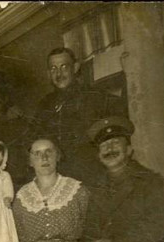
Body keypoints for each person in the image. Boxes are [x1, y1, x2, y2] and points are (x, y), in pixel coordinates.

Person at [32, 48, 127, 186]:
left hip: (91, 177)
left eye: (64, 67)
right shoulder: (45, 104)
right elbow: (36, 140)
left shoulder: (96, 97)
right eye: (53, 69)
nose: (59, 74)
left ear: (75, 68)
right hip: (58, 179)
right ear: (48, 73)